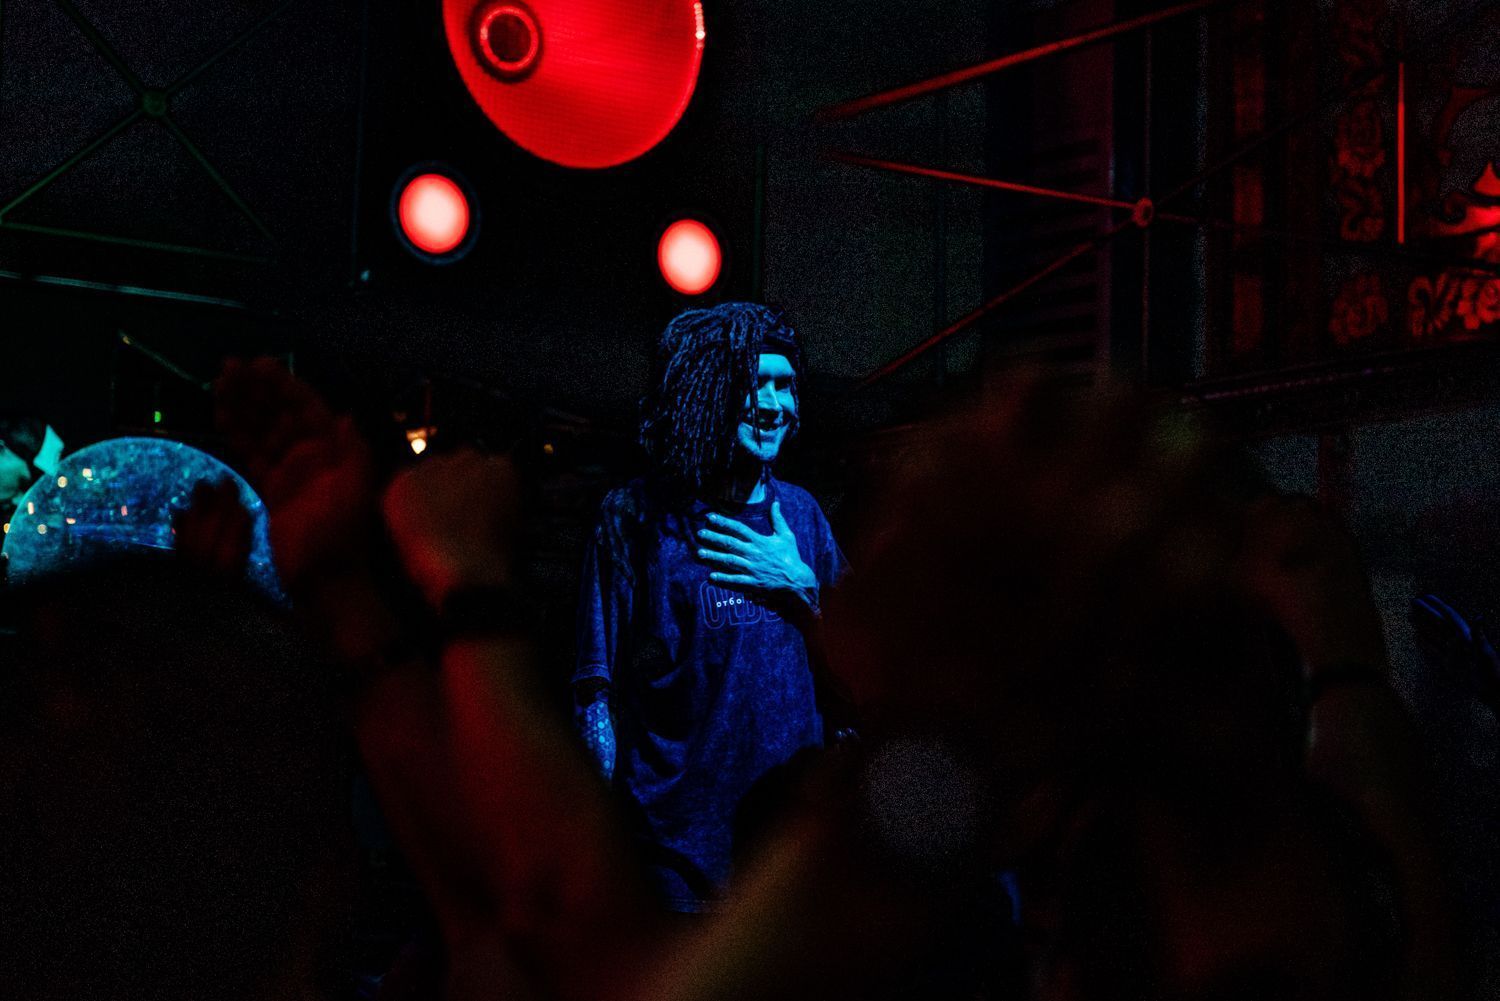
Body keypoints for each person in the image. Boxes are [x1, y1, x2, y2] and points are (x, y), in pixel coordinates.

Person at [573, 302, 849, 912]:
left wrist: (803, 590)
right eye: (757, 384)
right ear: (710, 390)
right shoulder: (636, 518)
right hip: (671, 856)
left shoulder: (802, 516)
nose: (775, 405)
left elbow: (870, 669)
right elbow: (597, 691)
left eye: (786, 385)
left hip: (788, 854)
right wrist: (601, 848)